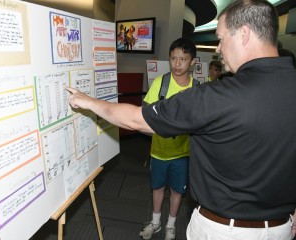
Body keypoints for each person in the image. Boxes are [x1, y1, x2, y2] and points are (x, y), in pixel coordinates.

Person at [66, 0, 296, 239]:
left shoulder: (214, 96)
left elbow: (136, 120)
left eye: (221, 38)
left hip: (222, 230)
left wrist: (88, 102)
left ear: (244, 34)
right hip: (282, 228)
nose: (218, 48)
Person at [139, 37, 197, 240]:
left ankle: (171, 224)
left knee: (177, 191)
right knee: (157, 187)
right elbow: (145, 113)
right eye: (173, 58)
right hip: (159, 151)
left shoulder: (197, 88)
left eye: (183, 59)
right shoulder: (160, 83)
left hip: (183, 153)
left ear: (193, 62)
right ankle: (155, 222)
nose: (177, 64)